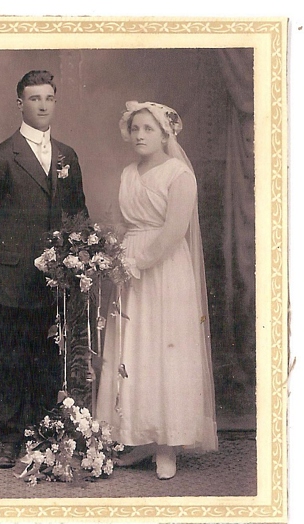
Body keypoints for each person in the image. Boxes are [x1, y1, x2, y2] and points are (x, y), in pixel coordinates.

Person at [0, 70, 88, 468]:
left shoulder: (67, 155)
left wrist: (70, 257)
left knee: (49, 358)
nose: (42, 105)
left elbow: (78, 212)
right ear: (20, 104)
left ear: (55, 102)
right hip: (13, 280)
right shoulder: (1, 156)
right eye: (34, 98)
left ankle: (44, 434)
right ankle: (10, 438)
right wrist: (8, 256)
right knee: (13, 359)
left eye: (48, 98)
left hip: (55, 281)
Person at [96, 101, 218, 480]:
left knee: (165, 350)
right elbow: (119, 220)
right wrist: (111, 255)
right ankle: (139, 439)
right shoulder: (128, 172)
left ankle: (167, 445)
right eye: (135, 129)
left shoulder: (179, 174)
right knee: (134, 349)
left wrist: (138, 262)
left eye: (148, 129)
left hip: (163, 269)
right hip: (129, 268)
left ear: (166, 133)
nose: (139, 135)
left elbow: (173, 231)